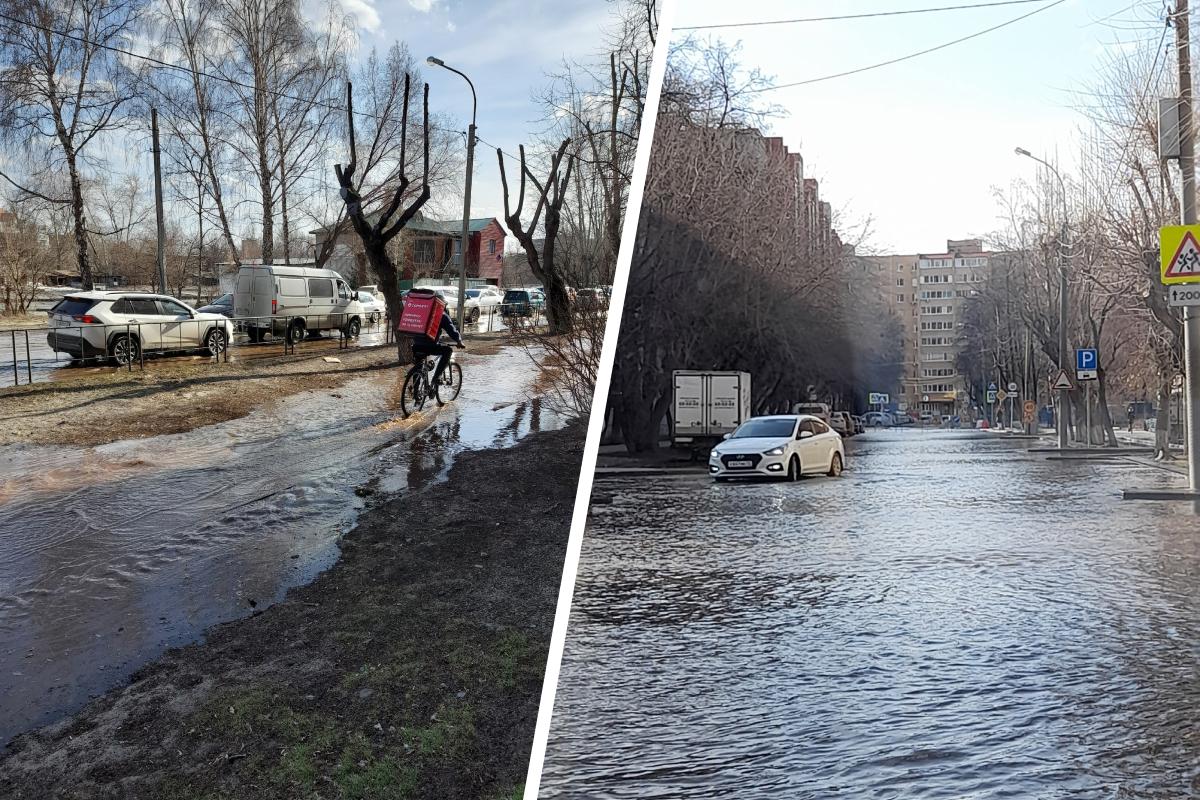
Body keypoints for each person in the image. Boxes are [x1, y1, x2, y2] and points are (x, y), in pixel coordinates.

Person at [409, 290, 465, 385]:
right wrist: (459, 341)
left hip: (416, 346)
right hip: (430, 346)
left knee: (418, 367)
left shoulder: (422, 311)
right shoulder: (442, 315)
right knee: (448, 351)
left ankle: (416, 393)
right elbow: (451, 330)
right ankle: (436, 378)